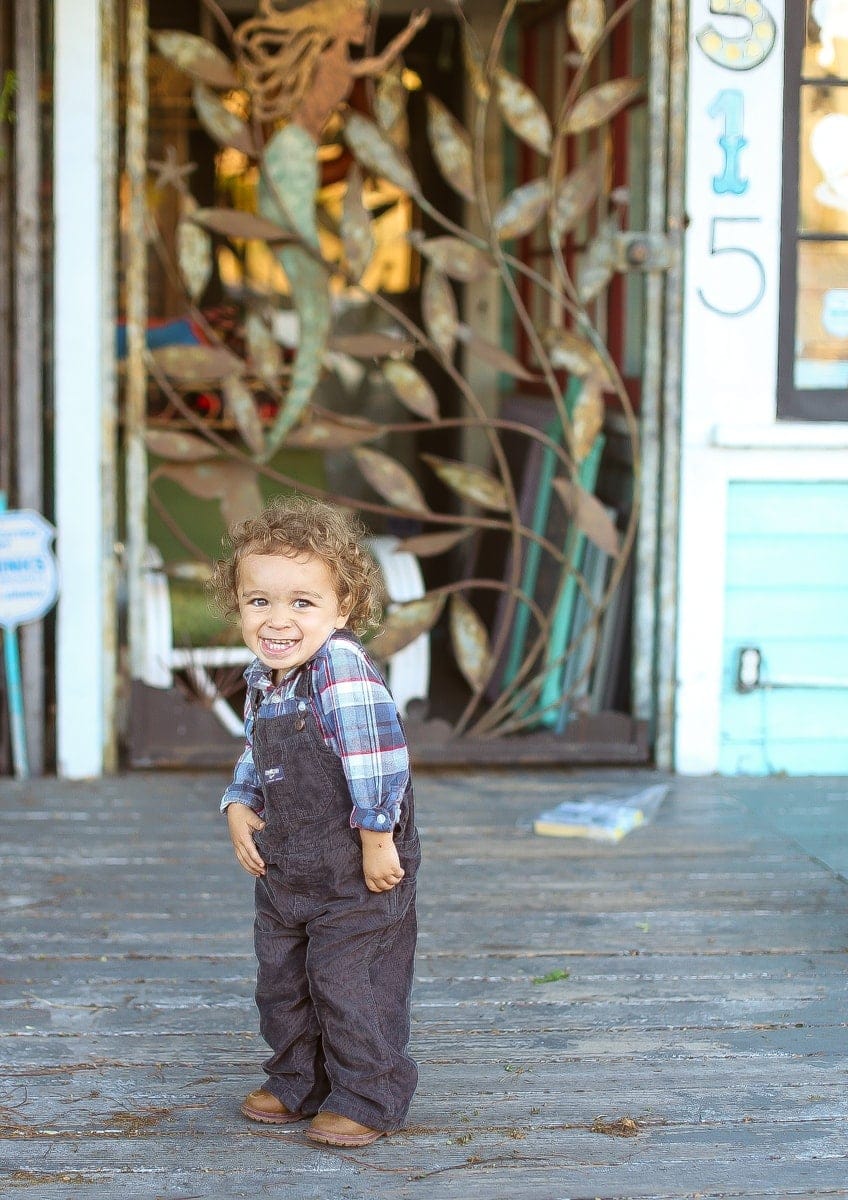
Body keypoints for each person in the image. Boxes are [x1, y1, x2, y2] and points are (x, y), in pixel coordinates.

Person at [209, 495, 421, 1148]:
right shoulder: (266, 677)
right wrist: (239, 803)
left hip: (359, 862)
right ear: (239, 605)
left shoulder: (340, 669)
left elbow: (378, 756)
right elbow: (259, 751)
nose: (278, 620)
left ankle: (366, 1093)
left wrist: (379, 837)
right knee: (283, 977)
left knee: (348, 980)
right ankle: (297, 1081)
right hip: (288, 866)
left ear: (343, 610)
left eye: (302, 602)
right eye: (259, 601)